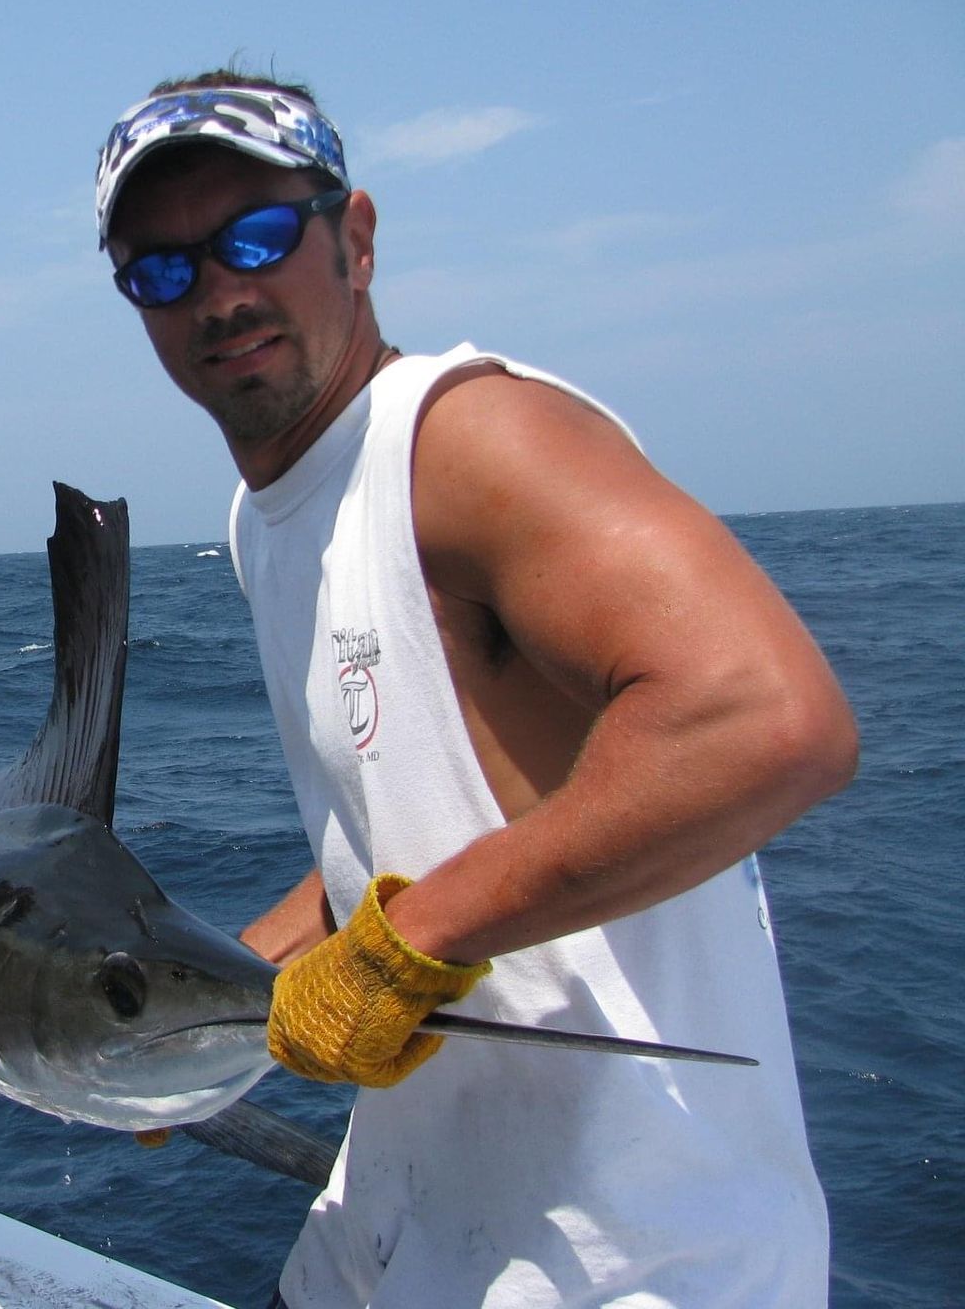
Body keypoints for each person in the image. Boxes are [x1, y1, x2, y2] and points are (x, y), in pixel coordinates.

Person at [94, 73, 858, 1307]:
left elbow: (771, 723)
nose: (220, 294)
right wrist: (194, 1020)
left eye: (256, 237)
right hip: (404, 1222)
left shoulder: (464, 437)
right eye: (163, 271)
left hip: (627, 1260)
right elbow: (399, 828)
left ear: (355, 238)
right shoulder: (266, 516)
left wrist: (413, 945)